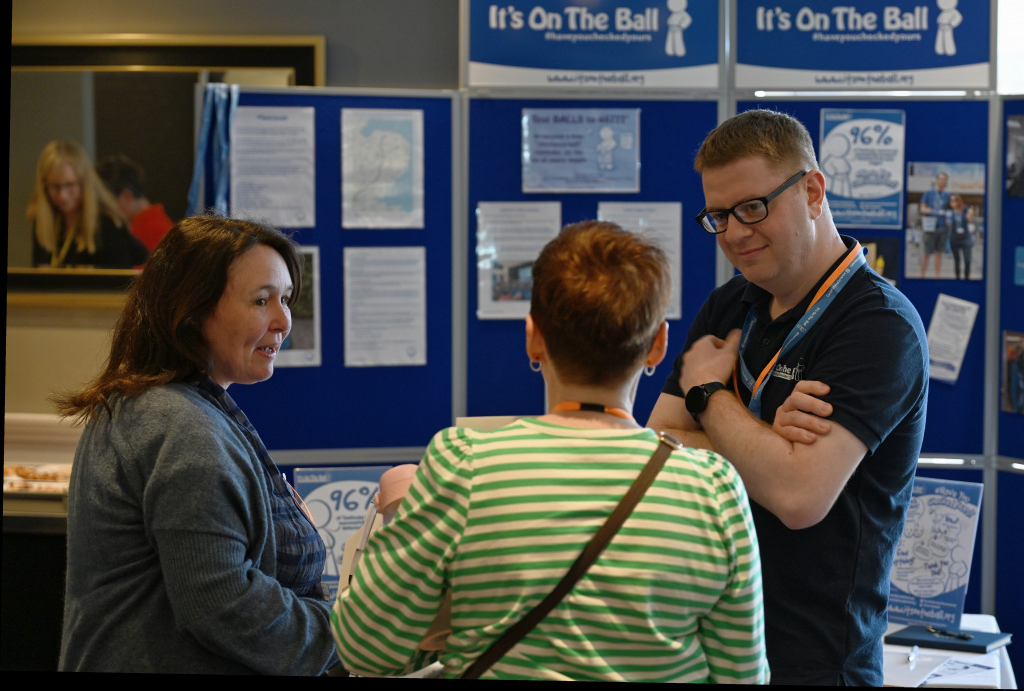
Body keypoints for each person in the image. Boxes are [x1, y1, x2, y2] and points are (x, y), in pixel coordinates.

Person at [332, 221, 768, 682]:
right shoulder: (714, 489)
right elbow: (742, 674)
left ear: (533, 337)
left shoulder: (464, 466)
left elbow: (364, 648)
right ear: (658, 346)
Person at [647, 109, 929, 686]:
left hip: (816, 659)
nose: (735, 233)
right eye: (719, 216)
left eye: (753, 207)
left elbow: (799, 497)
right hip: (707, 647)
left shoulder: (879, 325)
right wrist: (771, 442)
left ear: (812, 190)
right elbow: (656, 448)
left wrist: (709, 394)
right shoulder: (728, 306)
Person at [56, 216, 338, 674]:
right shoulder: (177, 426)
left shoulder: (168, 407)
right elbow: (226, 610)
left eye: (285, 299)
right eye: (261, 300)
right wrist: (352, 633)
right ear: (192, 312)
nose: (284, 319)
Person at [27, 140, 149, 268]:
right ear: (44, 187)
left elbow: (120, 284)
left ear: (85, 183)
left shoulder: (108, 224)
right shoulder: (42, 223)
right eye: (55, 186)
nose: (62, 195)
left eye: (70, 185)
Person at [96, 153, 176, 251]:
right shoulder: (159, 226)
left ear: (126, 197)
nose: (99, 209)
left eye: (103, 203)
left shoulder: (146, 234)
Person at [919, 171, 950, 278]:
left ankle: (937, 276)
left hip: (942, 226)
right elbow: (922, 208)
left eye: (944, 179)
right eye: (940, 179)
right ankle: (922, 276)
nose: (942, 181)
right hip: (930, 227)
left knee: (939, 253)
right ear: (937, 180)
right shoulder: (929, 193)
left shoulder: (947, 195)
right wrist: (928, 210)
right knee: (927, 253)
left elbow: (948, 211)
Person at [946, 193, 975, 280]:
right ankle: (958, 278)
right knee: (957, 260)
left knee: (967, 259)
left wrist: (970, 214)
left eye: (955, 200)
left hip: (965, 238)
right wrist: (948, 221)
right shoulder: (950, 212)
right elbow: (949, 226)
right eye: (951, 200)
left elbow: (970, 220)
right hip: (955, 238)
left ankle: (967, 277)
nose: (953, 202)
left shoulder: (965, 209)